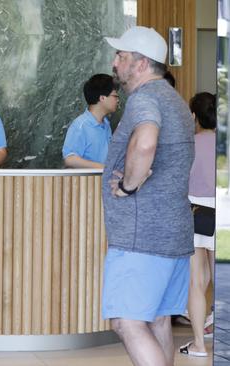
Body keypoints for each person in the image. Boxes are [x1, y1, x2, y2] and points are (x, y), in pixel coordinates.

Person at [102, 26, 195, 366]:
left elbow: (145, 142)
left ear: (141, 64)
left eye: (121, 57)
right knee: (156, 320)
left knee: (127, 323)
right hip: (173, 234)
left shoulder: (145, 98)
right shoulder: (177, 101)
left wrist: (127, 185)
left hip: (143, 237)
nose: (114, 63)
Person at [179, 92, 217, 358]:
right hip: (222, 211)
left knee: (197, 281)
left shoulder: (189, 144)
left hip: (195, 213)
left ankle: (198, 346)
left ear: (194, 116)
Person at [62, 74, 118, 168]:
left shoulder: (106, 124)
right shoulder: (80, 125)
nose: (117, 100)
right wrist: (103, 168)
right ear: (102, 98)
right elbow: (70, 159)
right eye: (115, 96)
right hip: (87, 182)